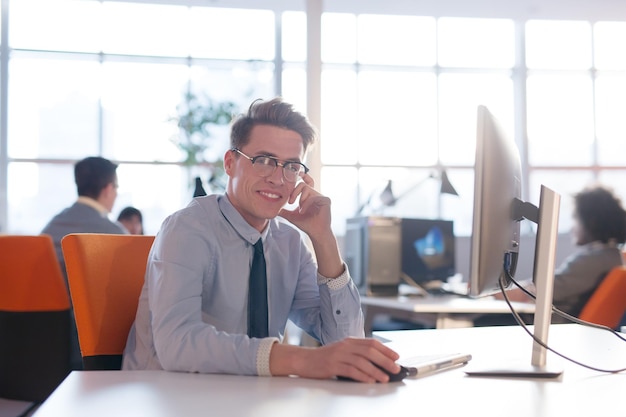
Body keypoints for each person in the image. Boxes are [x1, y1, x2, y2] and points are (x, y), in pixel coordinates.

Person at [123, 97, 400, 383]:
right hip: (161, 395)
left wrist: (323, 238)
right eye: (265, 161)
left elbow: (346, 339)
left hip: (250, 399)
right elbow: (178, 344)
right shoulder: (187, 229)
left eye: (292, 166)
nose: (278, 179)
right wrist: (302, 359)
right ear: (230, 163)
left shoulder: (289, 242)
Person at [41, 156, 127, 370]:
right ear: (108, 189)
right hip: (85, 344)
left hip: (39, 337)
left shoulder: (51, 226)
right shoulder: (113, 234)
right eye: (116, 188)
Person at [496, 184, 626, 323]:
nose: (572, 227)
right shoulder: (610, 256)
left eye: (575, 219)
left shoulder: (592, 261)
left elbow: (533, 292)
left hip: (553, 328)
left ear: (591, 222)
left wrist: (490, 292)